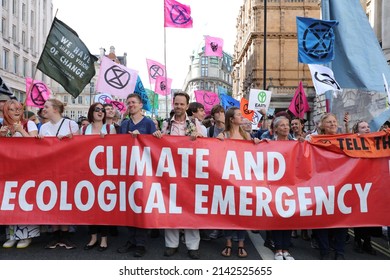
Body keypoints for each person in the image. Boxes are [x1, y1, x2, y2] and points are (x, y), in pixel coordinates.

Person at [116, 93, 161, 257]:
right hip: (128, 169)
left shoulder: (148, 123)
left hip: (144, 171)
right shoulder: (125, 123)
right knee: (130, 205)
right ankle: (132, 239)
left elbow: (157, 145)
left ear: (141, 105)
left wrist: (155, 136)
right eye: (128, 103)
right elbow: (119, 145)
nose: (131, 105)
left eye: (133, 102)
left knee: (141, 205)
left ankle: (141, 242)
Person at [161, 91, 203, 259]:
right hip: (170, 172)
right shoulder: (166, 124)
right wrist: (158, 136)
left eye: (181, 104)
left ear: (187, 106)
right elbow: (159, 143)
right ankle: (171, 244)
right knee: (171, 206)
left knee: (191, 207)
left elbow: (206, 144)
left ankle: (193, 246)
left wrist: (198, 137)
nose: (178, 106)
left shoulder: (195, 123)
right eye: (176, 104)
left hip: (190, 172)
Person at [216, 106, 259, 258]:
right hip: (228, 180)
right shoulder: (224, 135)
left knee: (241, 212)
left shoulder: (246, 135)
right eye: (239, 115)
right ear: (231, 119)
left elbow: (254, 155)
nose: (242, 117)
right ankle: (228, 243)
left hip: (243, 180)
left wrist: (255, 142)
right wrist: (218, 142)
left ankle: (241, 243)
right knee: (229, 212)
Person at [38, 99, 79, 249]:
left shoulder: (71, 125)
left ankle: (65, 234)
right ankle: (55, 234)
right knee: (52, 199)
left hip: (67, 168)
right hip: (49, 168)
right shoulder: (43, 127)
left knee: (65, 200)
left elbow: (80, 145)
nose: (44, 109)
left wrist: (71, 138)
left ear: (55, 109)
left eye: (46, 107)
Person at [0, 100, 40, 249]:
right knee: (9, 200)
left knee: (25, 199)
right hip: (8, 169)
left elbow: (36, 143)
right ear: (6, 112)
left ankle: (26, 235)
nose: (16, 112)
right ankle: (12, 234)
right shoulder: (2, 126)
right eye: (12, 109)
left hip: (27, 168)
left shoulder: (29, 124)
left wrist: (21, 131)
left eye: (18, 109)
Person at [309, 113, 348, 260]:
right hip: (321, 185)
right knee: (322, 219)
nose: (332, 124)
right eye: (329, 122)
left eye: (334, 121)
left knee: (342, 220)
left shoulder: (345, 140)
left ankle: (340, 251)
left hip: (342, 184)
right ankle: (324, 250)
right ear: (322, 125)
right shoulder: (314, 140)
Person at [82, 102, 116, 252]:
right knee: (90, 205)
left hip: (105, 172)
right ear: (91, 112)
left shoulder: (110, 128)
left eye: (103, 110)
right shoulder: (84, 129)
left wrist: (108, 140)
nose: (101, 112)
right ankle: (93, 236)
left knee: (104, 205)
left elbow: (116, 148)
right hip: (88, 171)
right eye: (97, 109)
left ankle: (104, 238)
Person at [351, 120, 381, 255]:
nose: (367, 129)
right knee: (359, 213)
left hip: (373, 183)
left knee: (371, 214)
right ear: (357, 131)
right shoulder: (351, 143)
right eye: (363, 127)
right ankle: (358, 240)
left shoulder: (376, 142)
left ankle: (367, 242)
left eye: (368, 126)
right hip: (358, 184)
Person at [268, 116, 295, 260]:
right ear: (276, 129)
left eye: (287, 125)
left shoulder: (296, 144)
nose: (286, 127)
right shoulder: (269, 144)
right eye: (282, 125)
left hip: (291, 185)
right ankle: (278, 248)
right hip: (275, 185)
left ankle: (286, 249)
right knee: (277, 217)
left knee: (288, 216)